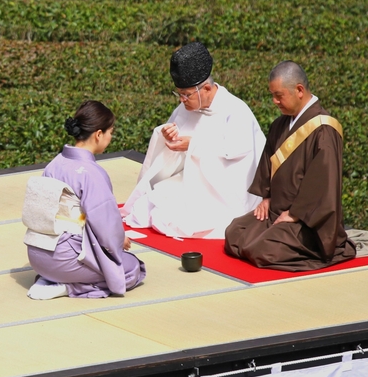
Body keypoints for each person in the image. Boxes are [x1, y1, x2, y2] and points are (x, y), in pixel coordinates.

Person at [121, 42, 265, 238]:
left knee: (181, 223)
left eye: (186, 95)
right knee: (147, 209)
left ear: (205, 88)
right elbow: (173, 143)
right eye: (178, 94)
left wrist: (193, 145)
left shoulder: (236, 111)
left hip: (222, 193)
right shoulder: (185, 107)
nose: (181, 100)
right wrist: (168, 137)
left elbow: (240, 161)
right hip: (189, 179)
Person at [224, 61, 356, 271]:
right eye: (272, 95)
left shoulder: (324, 129)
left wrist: (295, 214)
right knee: (234, 232)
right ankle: (269, 235)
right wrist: (266, 197)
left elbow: (323, 182)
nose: (275, 101)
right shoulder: (280, 124)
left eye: (279, 95)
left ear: (299, 90)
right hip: (276, 212)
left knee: (263, 250)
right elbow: (268, 162)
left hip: (307, 222)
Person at [22, 101, 146, 300]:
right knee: (132, 268)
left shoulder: (56, 162)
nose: (111, 137)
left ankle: (51, 278)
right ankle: (70, 287)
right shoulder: (91, 173)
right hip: (63, 258)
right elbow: (105, 224)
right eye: (110, 132)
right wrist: (119, 240)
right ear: (98, 134)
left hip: (37, 255)